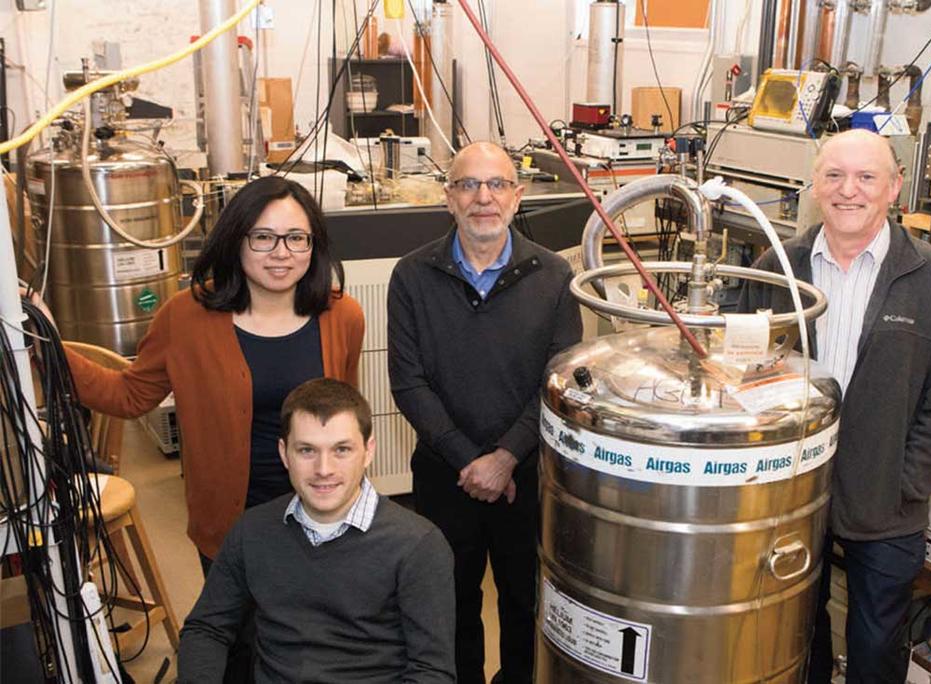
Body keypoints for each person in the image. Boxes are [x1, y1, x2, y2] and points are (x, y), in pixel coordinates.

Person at [33, 176, 364, 680]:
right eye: (263, 237)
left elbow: (345, 414)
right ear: (236, 239)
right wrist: (48, 343)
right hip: (231, 522)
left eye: (297, 238)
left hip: (321, 513)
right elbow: (128, 395)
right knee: (238, 648)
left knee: (317, 649)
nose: (282, 253)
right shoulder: (187, 317)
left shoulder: (342, 315)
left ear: (314, 245)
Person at [736, 129, 931, 683]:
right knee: (794, 633)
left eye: (867, 177)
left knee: (876, 646)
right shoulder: (776, 267)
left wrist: (905, 482)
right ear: (815, 187)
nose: (850, 190)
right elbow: (742, 372)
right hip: (790, 490)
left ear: (895, 188)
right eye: (835, 176)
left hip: (887, 503)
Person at [387, 141, 583, 683]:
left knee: (526, 603)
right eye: (468, 185)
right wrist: (470, 459)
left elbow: (556, 381)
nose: (483, 198)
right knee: (448, 605)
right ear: (448, 198)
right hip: (443, 474)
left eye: (496, 185)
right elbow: (408, 382)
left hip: (528, 475)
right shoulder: (412, 276)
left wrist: (505, 456)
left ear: (517, 197)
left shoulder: (553, 277)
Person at [178, 378, 456, 682]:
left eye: (342, 450)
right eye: (307, 450)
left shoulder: (417, 545)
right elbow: (206, 628)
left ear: (368, 451)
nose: (324, 469)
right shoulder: (252, 531)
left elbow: (432, 672)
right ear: (284, 453)